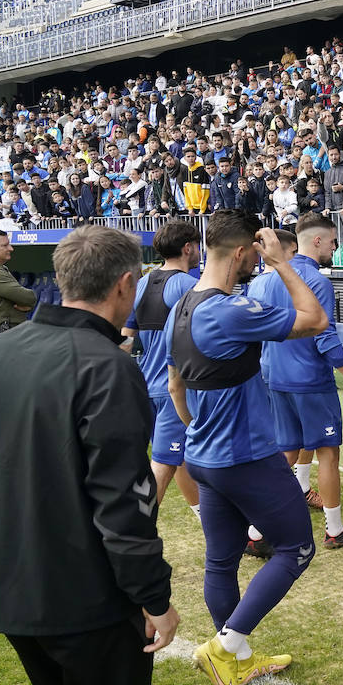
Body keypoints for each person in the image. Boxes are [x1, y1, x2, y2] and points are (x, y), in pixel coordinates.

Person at [0, 225, 178, 685]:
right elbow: (125, 503)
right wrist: (153, 598)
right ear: (125, 285)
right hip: (80, 598)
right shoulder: (107, 368)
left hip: (6, 583)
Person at [165, 210, 326, 685]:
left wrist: (196, 428)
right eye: (254, 251)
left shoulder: (184, 305)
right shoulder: (229, 310)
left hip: (204, 455)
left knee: (222, 558)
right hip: (245, 455)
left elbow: (175, 383)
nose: (258, 257)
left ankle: (234, 658)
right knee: (297, 548)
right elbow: (314, 318)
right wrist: (283, 264)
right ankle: (226, 644)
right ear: (240, 253)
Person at [248, 215, 343, 550]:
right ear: (317, 241)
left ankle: (256, 533)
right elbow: (325, 338)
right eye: (333, 241)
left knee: (285, 452)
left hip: (273, 377)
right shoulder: (315, 279)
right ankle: (334, 531)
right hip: (309, 381)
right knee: (327, 452)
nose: (336, 247)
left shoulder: (261, 280)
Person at [120, 219, 202, 516]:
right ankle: (133, 534)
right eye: (197, 246)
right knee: (163, 465)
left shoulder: (141, 283)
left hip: (147, 388)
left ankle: (209, 521)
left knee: (174, 456)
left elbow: (126, 341)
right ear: (188, 248)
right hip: (175, 390)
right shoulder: (193, 287)